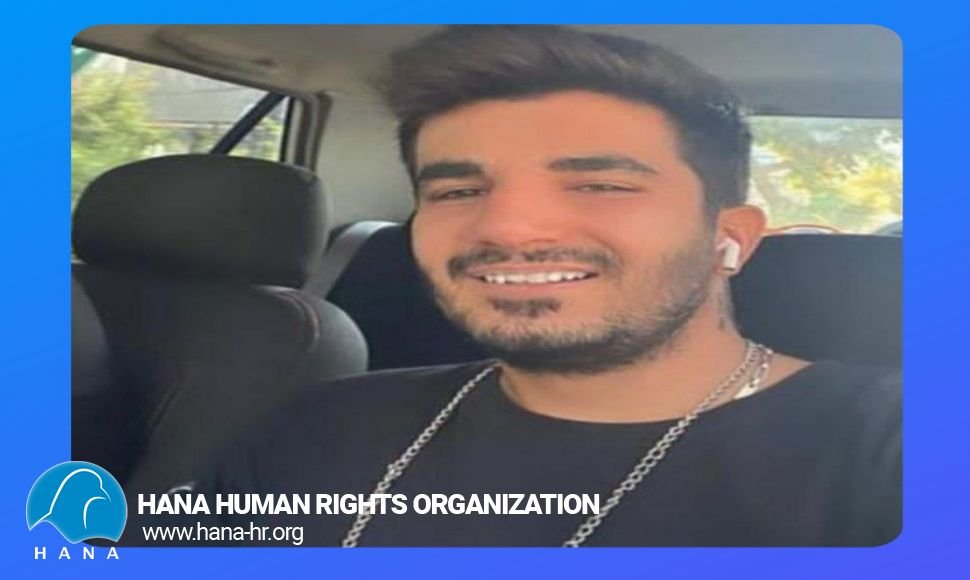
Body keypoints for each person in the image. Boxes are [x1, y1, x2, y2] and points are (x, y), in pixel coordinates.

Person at [136, 25, 901, 547]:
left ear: (730, 236)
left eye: (600, 185)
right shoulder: (322, 424)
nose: (507, 227)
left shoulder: (892, 454)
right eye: (458, 191)